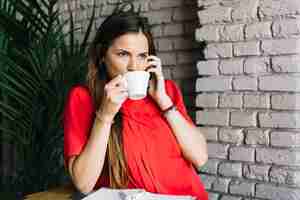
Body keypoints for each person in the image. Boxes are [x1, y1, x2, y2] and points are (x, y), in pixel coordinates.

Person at [63, 3, 208, 200]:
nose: (134, 66)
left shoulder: (167, 92)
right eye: (123, 54)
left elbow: (200, 158)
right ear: (101, 56)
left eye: (142, 56)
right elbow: (84, 183)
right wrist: (105, 116)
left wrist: (164, 100)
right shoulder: (83, 98)